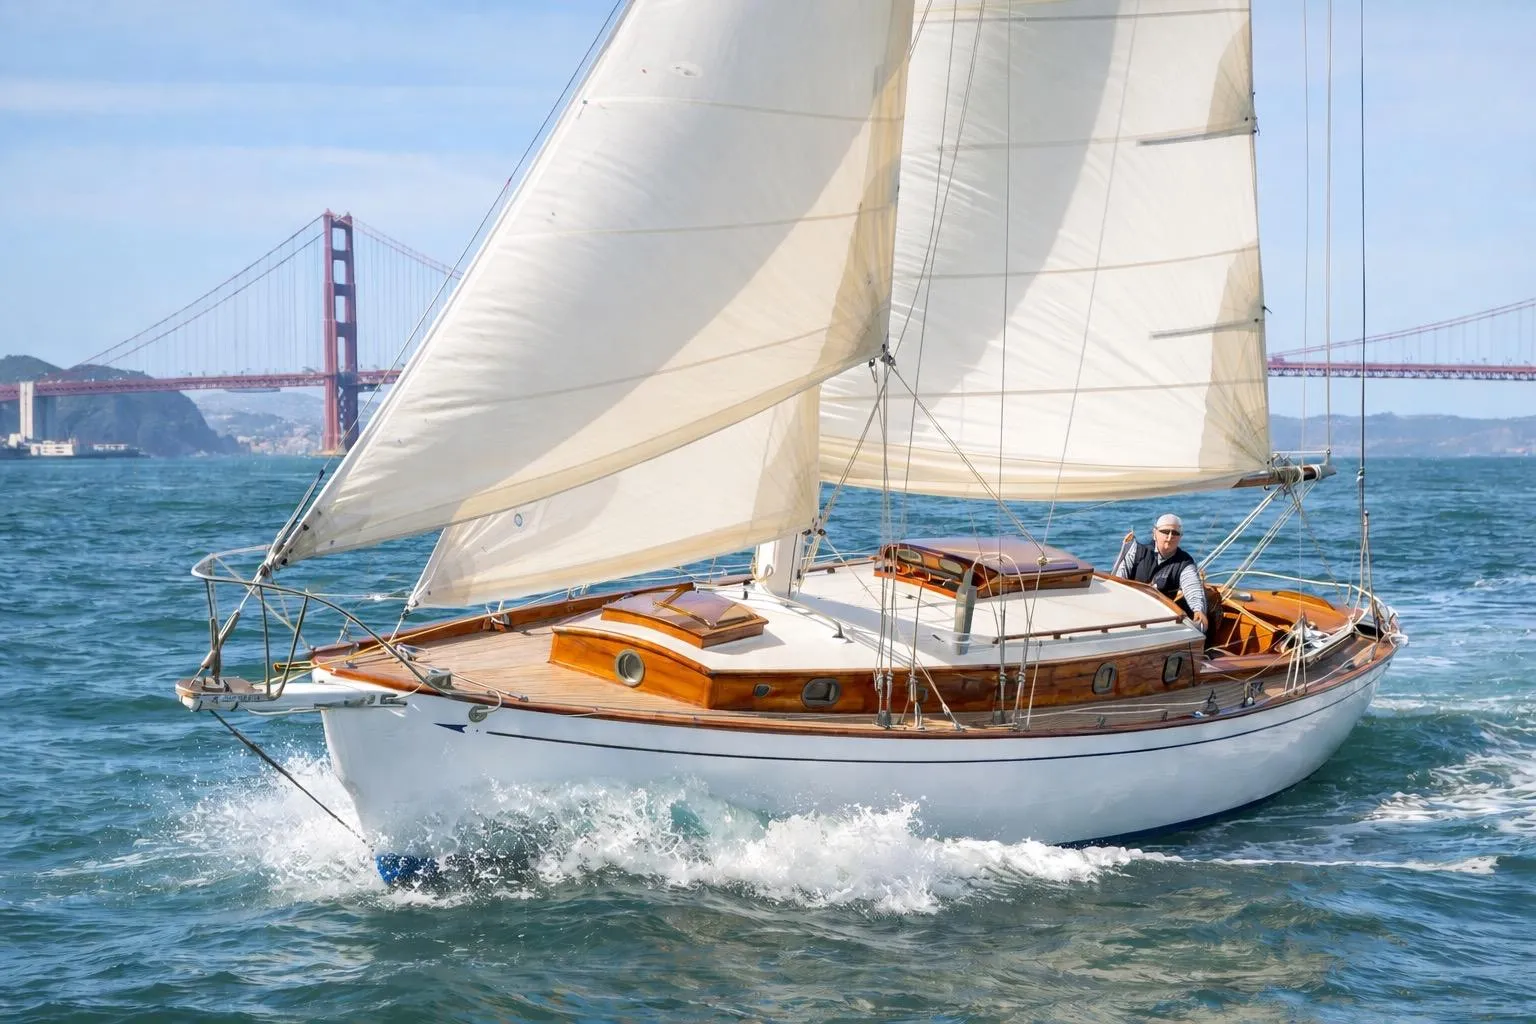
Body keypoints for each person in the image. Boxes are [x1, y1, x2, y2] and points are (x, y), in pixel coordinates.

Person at [1114, 513, 1208, 633]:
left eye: (1175, 533)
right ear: (1155, 533)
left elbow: (1192, 586)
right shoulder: (1136, 551)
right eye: (1165, 531)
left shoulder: (1185, 562)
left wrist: (1198, 610)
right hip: (1128, 612)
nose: (1170, 537)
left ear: (1180, 537)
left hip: (1160, 620)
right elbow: (1118, 581)